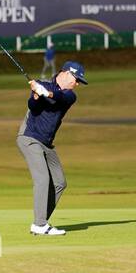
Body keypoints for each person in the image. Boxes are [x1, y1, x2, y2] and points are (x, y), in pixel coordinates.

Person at [17, 60, 88, 236]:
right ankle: (40, 224)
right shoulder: (42, 84)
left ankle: (39, 222)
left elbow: (59, 97)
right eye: (76, 79)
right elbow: (32, 107)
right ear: (66, 73)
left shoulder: (70, 95)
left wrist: (45, 93)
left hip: (47, 144)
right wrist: (35, 94)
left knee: (59, 182)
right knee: (42, 179)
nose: (77, 84)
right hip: (29, 138)